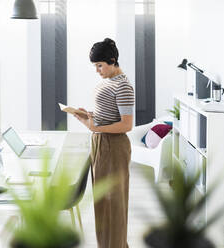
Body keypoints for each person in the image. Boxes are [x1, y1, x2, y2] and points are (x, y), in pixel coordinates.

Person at [74, 38, 135, 248]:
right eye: (95, 66)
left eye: (100, 65)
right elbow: (108, 115)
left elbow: (127, 125)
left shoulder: (124, 86)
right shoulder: (109, 82)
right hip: (100, 142)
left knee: (114, 203)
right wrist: (87, 117)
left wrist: (96, 127)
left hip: (113, 146)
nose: (97, 70)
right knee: (103, 202)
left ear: (113, 60)